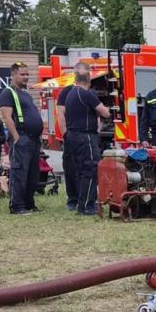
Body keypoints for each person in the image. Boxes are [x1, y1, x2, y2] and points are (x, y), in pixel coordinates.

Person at [62, 63, 112, 215]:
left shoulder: (70, 93)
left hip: (73, 135)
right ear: (89, 80)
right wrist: (109, 109)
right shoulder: (87, 94)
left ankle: (81, 202)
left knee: (81, 170)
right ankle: (86, 206)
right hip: (85, 136)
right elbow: (105, 113)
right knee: (90, 169)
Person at [0, 61, 44, 215]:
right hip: (22, 138)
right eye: (22, 74)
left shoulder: (25, 94)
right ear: (13, 74)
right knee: (19, 173)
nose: (26, 77)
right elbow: (7, 117)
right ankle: (17, 206)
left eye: (27, 74)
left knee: (33, 174)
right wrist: (16, 137)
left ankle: (29, 204)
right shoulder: (8, 92)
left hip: (33, 139)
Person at [55, 74, 76, 208]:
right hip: (71, 135)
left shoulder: (90, 92)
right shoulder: (67, 91)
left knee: (86, 168)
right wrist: (65, 134)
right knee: (70, 167)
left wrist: (96, 132)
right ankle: (72, 200)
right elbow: (60, 114)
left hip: (87, 137)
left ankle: (87, 198)